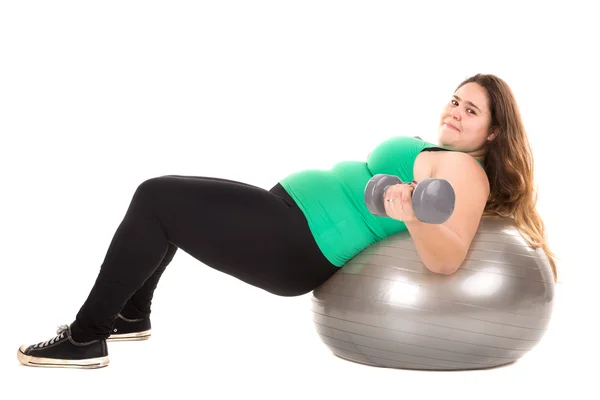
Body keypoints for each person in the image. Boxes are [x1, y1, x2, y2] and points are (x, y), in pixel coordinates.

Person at [17, 73, 558, 369]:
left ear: (492, 134)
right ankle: (132, 316)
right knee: (169, 210)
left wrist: (411, 216)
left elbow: (447, 258)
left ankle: (87, 337)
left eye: (471, 111)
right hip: (286, 217)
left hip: (298, 242)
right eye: (455, 100)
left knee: (157, 197)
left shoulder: (467, 171)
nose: (454, 112)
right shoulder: (443, 151)